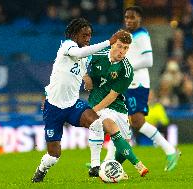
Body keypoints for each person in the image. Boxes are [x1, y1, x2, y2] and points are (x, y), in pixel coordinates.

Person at [31, 18, 147, 183]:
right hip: (54, 108)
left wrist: (92, 81)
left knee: (96, 122)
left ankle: (95, 166)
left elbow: (86, 75)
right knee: (54, 155)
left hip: (72, 105)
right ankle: (41, 170)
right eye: (84, 35)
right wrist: (109, 42)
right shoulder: (67, 46)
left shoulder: (87, 57)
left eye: (89, 36)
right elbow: (77, 55)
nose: (87, 39)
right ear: (74, 34)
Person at [106, 6, 180, 172]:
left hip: (137, 84)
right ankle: (107, 163)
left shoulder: (142, 35)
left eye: (133, 17)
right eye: (127, 17)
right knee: (119, 121)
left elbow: (148, 60)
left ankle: (170, 150)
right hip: (128, 83)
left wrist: (126, 67)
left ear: (140, 19)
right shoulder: (129, 36)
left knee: (137, 122)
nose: (129, 20)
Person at [84, 30, 148, 178]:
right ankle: (138, 165)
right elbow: (83, 70)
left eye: (125, 48)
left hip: (117, 106)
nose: (122, 51)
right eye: (119, 46)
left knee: (125, 146)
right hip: (97, 101)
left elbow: (113, 96)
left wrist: (93, 111)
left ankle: (109, 168)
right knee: (109, 124)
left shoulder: (126, 70)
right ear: (112, 44)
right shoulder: (97, 55)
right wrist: (85, 76)